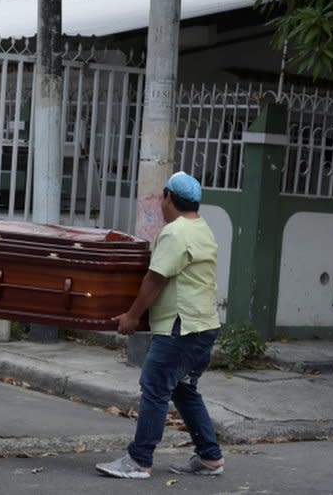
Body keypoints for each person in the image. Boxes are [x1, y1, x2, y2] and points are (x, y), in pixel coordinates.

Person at [96, 171, 225, 479]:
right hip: (204, 325)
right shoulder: (202, 228)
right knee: (183, 390)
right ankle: (210, 457)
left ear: (169, 197)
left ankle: (139, 460)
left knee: (154, 386)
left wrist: (131, 316)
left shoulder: (175, 233)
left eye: (162, 198)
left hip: (181, 328)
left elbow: (155, 278)